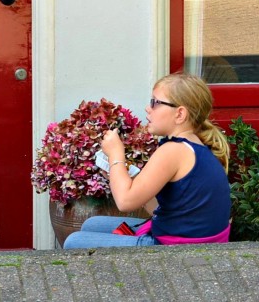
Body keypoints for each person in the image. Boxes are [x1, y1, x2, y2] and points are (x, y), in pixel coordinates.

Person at [63, 72, 231, 248]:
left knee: (74, 242)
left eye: (155, 103)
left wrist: (116, 155)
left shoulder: (173, 151)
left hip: (181, 248)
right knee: (92, 224)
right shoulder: (192, 144)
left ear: (180, 114)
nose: (148, 108)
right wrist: (127, 176)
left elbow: (125, 202)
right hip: (188, 237)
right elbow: (162, 209)